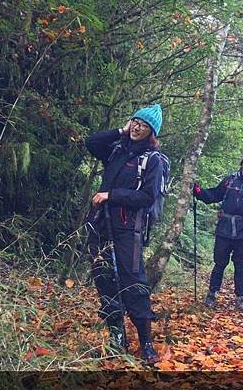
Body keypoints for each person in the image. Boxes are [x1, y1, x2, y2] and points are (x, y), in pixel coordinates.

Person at [85, 104, 163, 364]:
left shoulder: (151, 160)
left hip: (129, 228)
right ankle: (117, 336)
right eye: (135, 121)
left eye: (143, 125)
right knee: (104, 278)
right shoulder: (117, 150)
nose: (137, 127)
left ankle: (146, 342)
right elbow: (92, 142)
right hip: (101, 225)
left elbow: (147, 196)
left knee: (134, 282)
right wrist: (120, 130)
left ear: (151, 132)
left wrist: (112, 195)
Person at [193, 150, 243, 312]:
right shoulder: (230, 180)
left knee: (240, 264)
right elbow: (214, 195)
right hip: (225, 227)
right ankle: (211, 295)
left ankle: (241, 299)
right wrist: (198, 192)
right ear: (242, 162)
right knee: (219, 263)